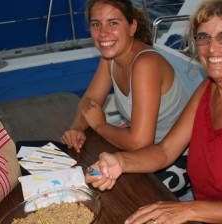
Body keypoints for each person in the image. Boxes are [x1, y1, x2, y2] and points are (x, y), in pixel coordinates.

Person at [85, 0, 222, 223]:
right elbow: (165, 151)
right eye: (203, 38)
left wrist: (190, 210)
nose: (212, 48)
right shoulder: (208, 88)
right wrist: (120, 162)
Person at [60, 0, 190, 198]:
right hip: (146, 148)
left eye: (113, 23)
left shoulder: (145, 64)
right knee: (86, 175)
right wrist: (77, 126)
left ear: (132, 27)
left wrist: (100, 125)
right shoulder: (110, 57)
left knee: (111, 193)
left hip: (179, 156)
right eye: (96, 24)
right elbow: (90, 99)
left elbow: (140, 143)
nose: (103, 33)